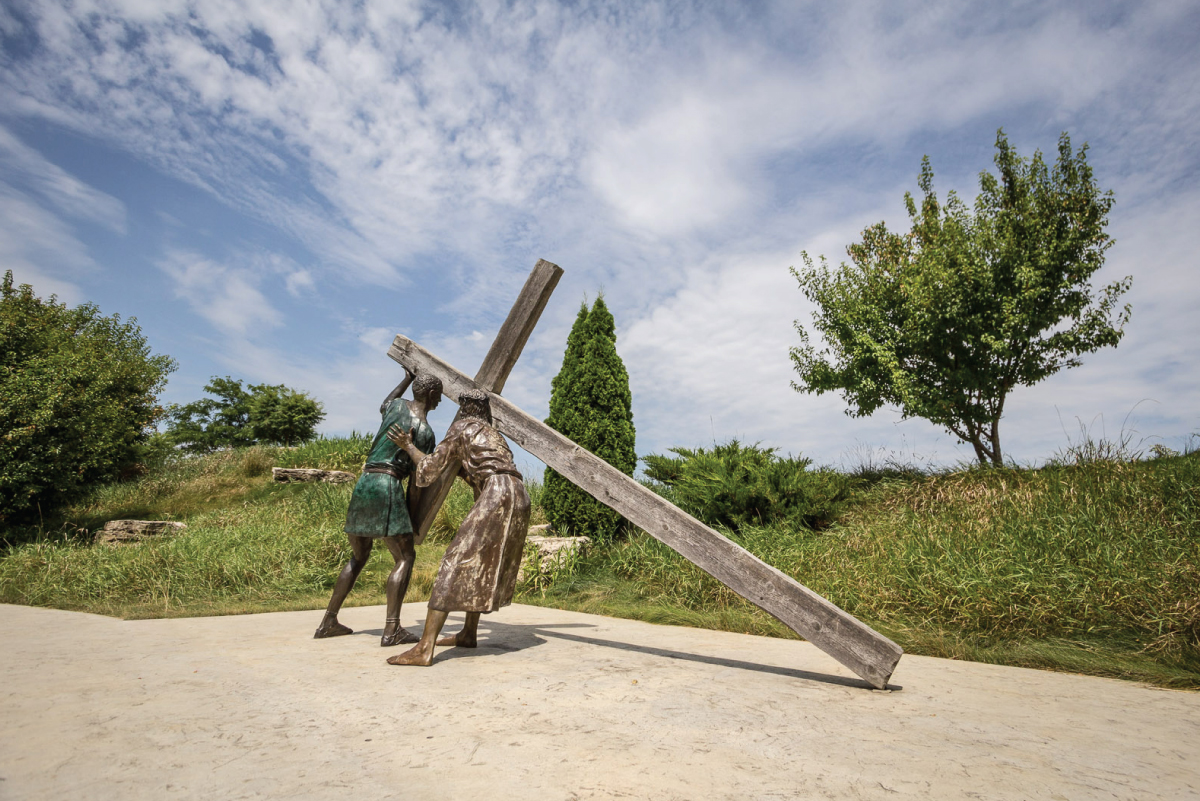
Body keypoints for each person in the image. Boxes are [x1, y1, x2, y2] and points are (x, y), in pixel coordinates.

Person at [383, 389, 531, 666]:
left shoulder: (461, 427)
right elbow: (482, 467)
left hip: (497, 492)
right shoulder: (493, 434)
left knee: (455, 562)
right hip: (520, 493)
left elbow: (428, 471)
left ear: (464, 409)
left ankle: (424, 648)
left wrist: (408, 447)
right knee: (481, 563)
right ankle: (468, 633)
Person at [313, 368, 442, 646]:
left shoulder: (395, 406)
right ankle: (392, 629)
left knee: (358, 557)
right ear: (431, 395)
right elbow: (421, 479)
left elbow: (385, 402)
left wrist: (406, 378)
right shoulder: (425, 433)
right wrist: (414, 516)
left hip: (365, 483)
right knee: (405, 557)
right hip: (388, 486)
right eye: (439, 395)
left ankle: (328, 621)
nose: (441, 401)